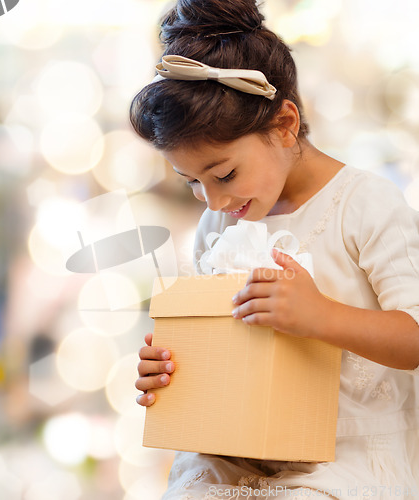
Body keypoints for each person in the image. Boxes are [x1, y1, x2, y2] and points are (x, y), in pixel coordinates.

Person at [130, 0, 419, 498]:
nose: (214, 199)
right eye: (191, 183)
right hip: (238, 447)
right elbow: (225, 342)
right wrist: (173, 364)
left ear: (285, 125)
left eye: (223, 174)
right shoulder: (218, 222)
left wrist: (322, 315)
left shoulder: (366, 205)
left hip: (344, 456)